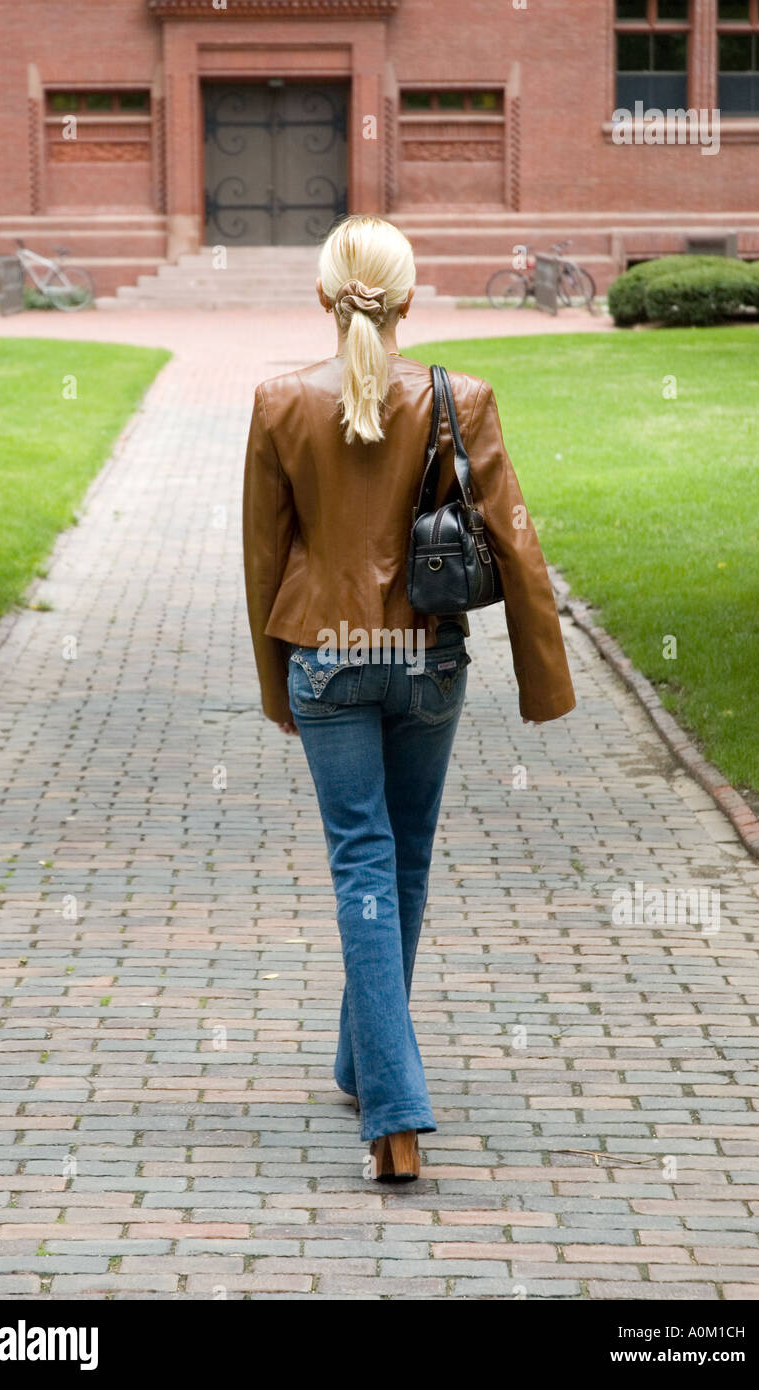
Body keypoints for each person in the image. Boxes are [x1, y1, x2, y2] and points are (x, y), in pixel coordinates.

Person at [242, 214, 575, 1181]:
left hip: (327, 661)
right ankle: (384, 1089)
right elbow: (516, 542)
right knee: (405, 860)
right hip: (429, 658)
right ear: (409, 300)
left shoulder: (276, 401)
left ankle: (378, 1086)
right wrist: (544, 682)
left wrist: (277, 691)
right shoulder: (460, 395)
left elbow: (264, 562)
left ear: (321, 295)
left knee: (364, 864)